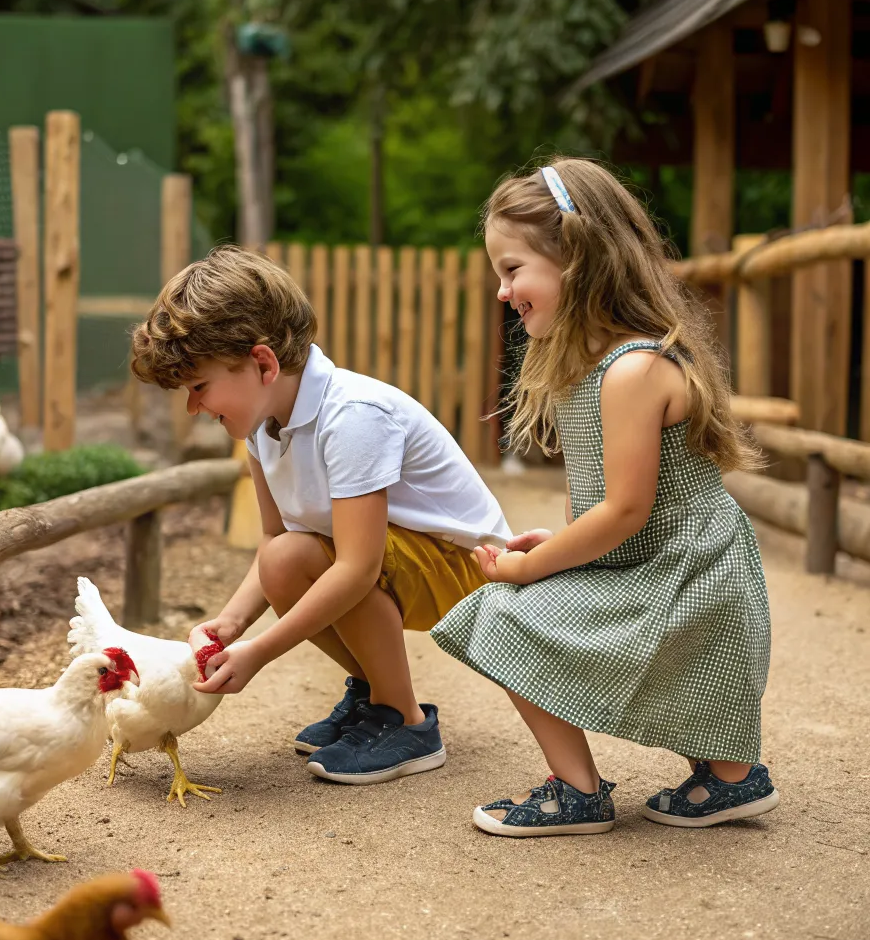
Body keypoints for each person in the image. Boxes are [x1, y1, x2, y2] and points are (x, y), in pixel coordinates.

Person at [431, 159, 778, 835]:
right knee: (526, 609)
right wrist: (559, 550)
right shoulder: (587, 367)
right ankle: (728, 777)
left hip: (690, 573)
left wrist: (534, 567)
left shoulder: (633, 370)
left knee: (504, 613)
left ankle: (586, 792)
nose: (502, 291)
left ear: (577, 260)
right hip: (663, 563)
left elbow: (626, 511)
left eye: (512, 270)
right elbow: (600, 501)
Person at [130, 246, 510, 785]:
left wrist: (258, 652)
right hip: (398, 563)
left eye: (199, 387)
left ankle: (405, 721)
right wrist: (231, 623)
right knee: (285, 558)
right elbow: (273, 540)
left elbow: (356, 566)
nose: (193, 407)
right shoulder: (263, 427)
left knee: (301, 555)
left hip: (470, 569)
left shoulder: (352, 416)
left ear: (262, 363)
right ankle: (372, 693)